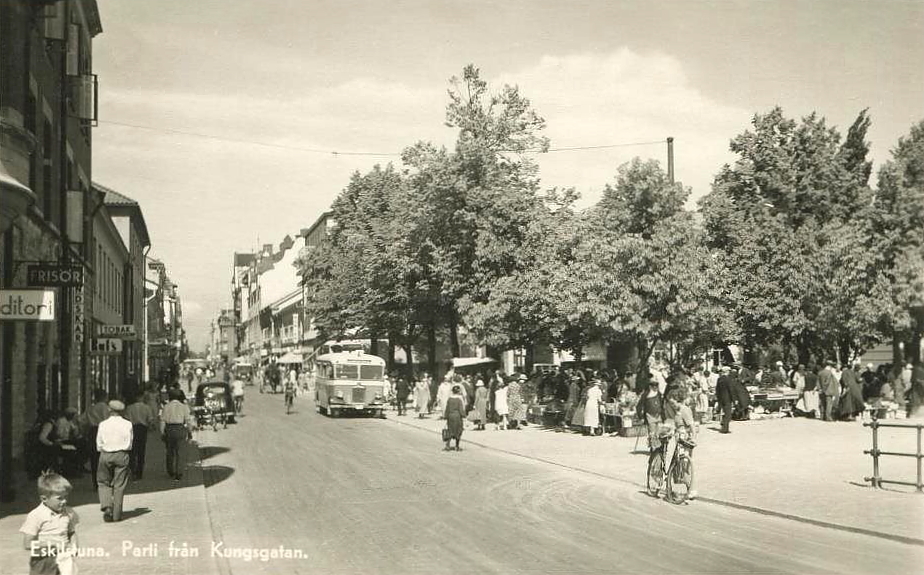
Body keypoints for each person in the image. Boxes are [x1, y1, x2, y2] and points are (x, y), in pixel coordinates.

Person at [19, 472, 79, 575]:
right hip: (43, 561)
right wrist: (52, 545)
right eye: (60, 498)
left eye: (66, 497)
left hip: (64, 557)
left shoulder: (68, 512)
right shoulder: (36, 515)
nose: (64, 501)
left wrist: (74, 546)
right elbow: (27, 544)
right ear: (44, 499)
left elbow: (71, 532)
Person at [96, 400, 132, 522]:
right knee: (119, 485)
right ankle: (117, 514)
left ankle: (107, 506)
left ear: (109, 410)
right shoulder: (128, 424)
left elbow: (99, 442)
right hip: (122, 454)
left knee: (103, 482)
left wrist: (102, 449)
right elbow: (130, 441)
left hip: (105, 454)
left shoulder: (103, 424)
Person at [660, 388, 698, 499]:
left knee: (684, 465)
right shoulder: (677, 411)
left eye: (673, 403)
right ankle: (671, 489)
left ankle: (691, 490)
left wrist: (694, 439)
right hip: (678, 439)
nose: (672, 405)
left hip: (685, 440)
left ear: (678, 400)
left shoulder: (684, 410)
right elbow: (677, 425)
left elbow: (692, 426)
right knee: (677, 465)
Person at [160, 388, 193, 481]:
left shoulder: (166, 407)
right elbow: (188, 421)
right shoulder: (184, 407)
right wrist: (190, 432)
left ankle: (170, 471)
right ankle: (179, 473)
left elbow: (162, 421)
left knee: (170, 451)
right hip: (180, 429)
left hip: (169, 429)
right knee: (180, 452)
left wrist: (162, 432)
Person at [80, 388, 110, 486]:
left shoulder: (90, 408)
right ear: (104, 397)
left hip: (93, 432)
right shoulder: (105, 407)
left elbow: (82, 421)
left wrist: (84, 432)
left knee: (94, 457)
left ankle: (95, 482)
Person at [124, 394, 155, 480]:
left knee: (132, 450)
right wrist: (151, 427)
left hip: (132, 428)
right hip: (142, 429)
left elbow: (126, 419)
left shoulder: (129, 408)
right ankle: (139, 472)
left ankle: (133, 469)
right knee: (141, 450)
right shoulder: (147, 407)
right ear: (142, 398)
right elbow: (150, 419)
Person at [637, 377, 664, 447]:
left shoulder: (659, 394)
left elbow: (662, 404)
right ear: (650, 386)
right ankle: (653, 447)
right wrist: (641, 416)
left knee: (658, 432)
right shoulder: (646, 394)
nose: (655, 387)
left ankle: (658, 446)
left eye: (656, 385)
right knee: (652, 432)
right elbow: (639, 405)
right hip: (649, 415)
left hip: (658, 415)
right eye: (653, 385)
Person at [443, 385, 466, 451]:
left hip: (450, 416)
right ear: (458, 391)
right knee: (458, 430)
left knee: (450, 430)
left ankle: (448, 445)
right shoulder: (459, 399)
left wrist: (446, 416)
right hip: (457, 416)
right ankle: (457, 446)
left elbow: (447, 408)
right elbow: (461, 409)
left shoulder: (449, 399)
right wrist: (463, 415)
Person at [715, 366, 735, 434]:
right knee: (728, 414)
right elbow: (731, 390)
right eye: (729, 371)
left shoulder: (719, 379)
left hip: (721, 398)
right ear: (727, 371)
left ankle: (723, 424)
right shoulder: (728, 379)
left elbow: (717, 390)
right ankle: (725, 429)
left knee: (723, 412)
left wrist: (718, 398)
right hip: (727, 398)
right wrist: (734, 399)